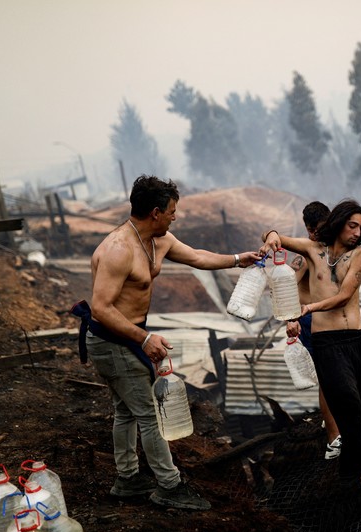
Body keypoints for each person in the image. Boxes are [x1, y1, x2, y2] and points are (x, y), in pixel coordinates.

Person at [72, 175, 262, 510]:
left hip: (128, 336)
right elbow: (101, 308)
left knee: (126, 411)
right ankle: (169, 485)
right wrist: (144, 338)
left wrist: (237, 259)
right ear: (156, 212)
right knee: (149, 413)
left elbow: (198, 257)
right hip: (112, 340)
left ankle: (128, 478)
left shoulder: (158, 240)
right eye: (172, 211)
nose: (176, 216)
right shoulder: (118, 249)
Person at [260, 199, 361, 509]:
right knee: (346, 400)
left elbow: (345, 295)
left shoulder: (360, 256)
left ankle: (349, 468)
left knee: (360, 411)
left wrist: (309, 308)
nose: (358, 232)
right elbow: (276, 237)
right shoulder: (311, 251)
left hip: (355, 340)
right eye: (353, 225)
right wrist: (269, 235)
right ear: (340, 222)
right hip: (327, 342)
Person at [285, 201, 342, 460]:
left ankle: (333, 424)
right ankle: (333, 438)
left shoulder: (333, 250)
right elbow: (284, 285)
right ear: (309, 231)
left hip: (331, 320)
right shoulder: (307, 254)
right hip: (309, 320)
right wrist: (291, 318)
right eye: (318, 230)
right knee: (327, 378)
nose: (322, 233)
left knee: (338, 376)